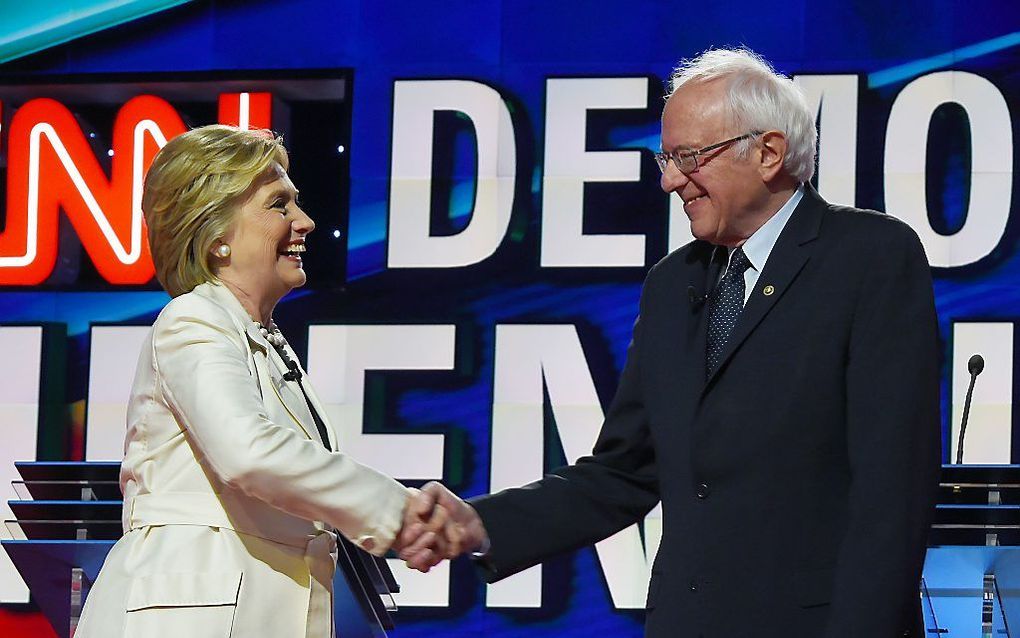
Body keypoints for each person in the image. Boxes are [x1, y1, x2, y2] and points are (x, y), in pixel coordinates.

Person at [404, 48, 942, 637]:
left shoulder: (868, 256)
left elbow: (892, 489)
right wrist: (480, 523)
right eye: (667, 157)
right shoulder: (672, 284)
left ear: (768, 152)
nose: (667, 180)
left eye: (689, 157)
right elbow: (623, 472)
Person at [76, 125, 455, 638]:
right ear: (216, 238)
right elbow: (248, 451)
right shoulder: (193, 319)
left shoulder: (261, 338)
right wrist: (396, 509)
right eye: (279, 205)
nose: (305, 222)